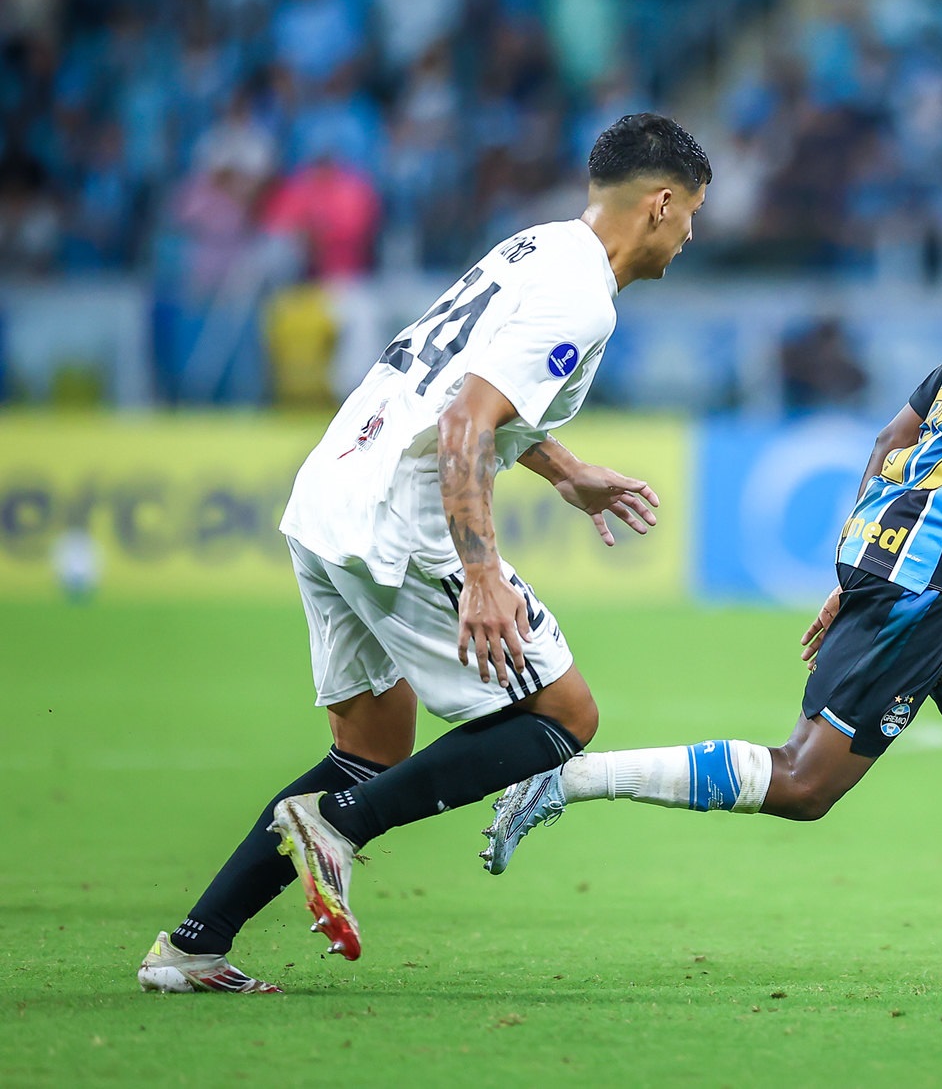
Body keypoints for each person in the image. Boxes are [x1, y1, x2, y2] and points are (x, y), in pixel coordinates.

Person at [479, 170, 942, 991]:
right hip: (928, 578)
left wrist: (861, 559)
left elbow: (893, 438)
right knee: (803, 782)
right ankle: (567, 778)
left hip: (937, 569)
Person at [136, 114, 712, 992]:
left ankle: (193, 946)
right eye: (693, 213)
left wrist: (564, 470)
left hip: (331, 487)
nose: (691, 234)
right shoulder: (581, 296)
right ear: (662, 202)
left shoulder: (537, 247)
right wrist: (480, 573)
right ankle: (338, 826)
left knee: (369, 748)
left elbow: (461, 387)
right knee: (564, 715)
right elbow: (464, 423)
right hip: (399, 518)